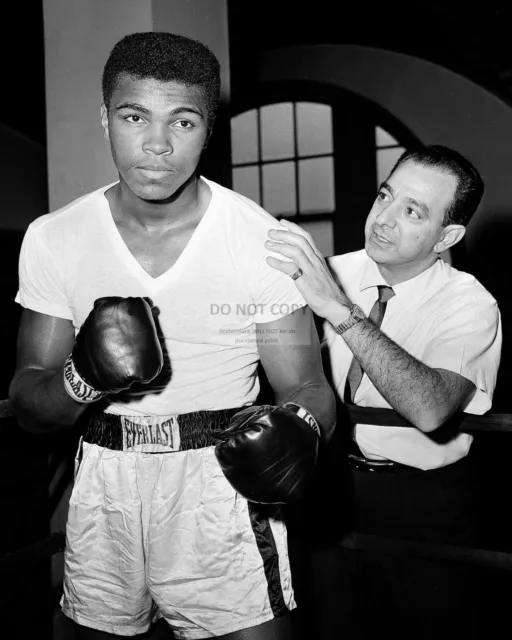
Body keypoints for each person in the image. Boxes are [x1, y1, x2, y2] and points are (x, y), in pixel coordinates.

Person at [9, 32, 336, 640]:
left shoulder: (258, 241)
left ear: (207, 128)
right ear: (107, 118)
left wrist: (300, 429)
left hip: (221, 482)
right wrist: (83, 379)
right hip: (105, 477)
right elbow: (29, 403)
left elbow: (310, 385)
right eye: (135, 117)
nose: (157, 145)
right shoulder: (54, 237)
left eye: (182, 122)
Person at [265, 145, 502, 639]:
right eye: (385, 197)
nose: (383, 220)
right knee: (328, 627)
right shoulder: (330, 271)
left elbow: (431, 408)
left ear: (449, 235)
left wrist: (339, 311)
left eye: (413, 211)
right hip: (325, 487)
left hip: (419, 504)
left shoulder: (470, 303)